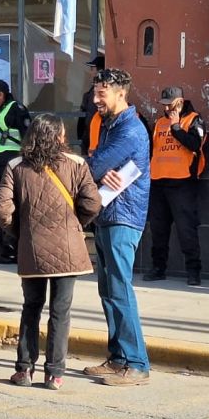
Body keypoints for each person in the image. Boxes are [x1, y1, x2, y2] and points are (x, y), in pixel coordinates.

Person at [0, 114, 101, 390]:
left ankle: (24, 370)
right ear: (60, 137)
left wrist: (20, 232)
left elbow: (2, 209)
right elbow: (92, 203)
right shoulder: (77, 164)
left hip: (32, 249)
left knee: (31, 308)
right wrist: (77, 224)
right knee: (60, 311)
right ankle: (55, 374)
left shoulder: (16, 165)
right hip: (69, 250)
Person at [81, 68, 152, 386]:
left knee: (120, 289)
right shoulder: (110, 126)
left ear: (121, 93)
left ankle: (136, 363)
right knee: (108, 290)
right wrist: (96, 166)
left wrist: (96, 167)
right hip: (108, 215)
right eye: (95, 92)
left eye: (102, 93)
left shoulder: (129, 130)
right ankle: (118, 358)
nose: (96, 99)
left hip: (124, 217)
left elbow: (93, 166)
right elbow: (96, 164)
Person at [144, 86, 207, 286]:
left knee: (186, 230)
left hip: (183, 183)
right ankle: (158, 268)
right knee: (159, 230)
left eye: (170, 104)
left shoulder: (194, 120)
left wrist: (176, 127)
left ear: (180, 102)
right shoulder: (159, 123)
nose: (167, 108)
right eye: (164, 104)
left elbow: (194, 145)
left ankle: (193, 271)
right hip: (158, 182)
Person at [0, 79, 30, 196]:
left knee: (9, 194)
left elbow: (27, 134)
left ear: (0, 94)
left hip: (9, 160)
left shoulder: (16, 109)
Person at [77, 55, 105, 154]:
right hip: (89, 138)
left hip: (94, 139)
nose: (91, 72)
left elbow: (91, 117)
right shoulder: (90, 92)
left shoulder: (97, 94)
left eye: (92, 68)